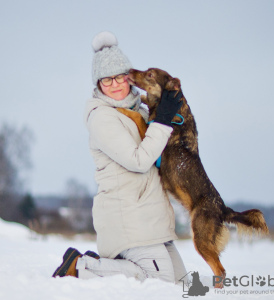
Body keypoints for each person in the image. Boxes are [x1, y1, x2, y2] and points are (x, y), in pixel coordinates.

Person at [52, 31, 187, 285]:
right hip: (128, 219)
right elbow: (138, 161)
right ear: (98, 84)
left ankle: (109, 267)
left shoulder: (137, 111)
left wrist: (167, 111)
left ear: (129, 77)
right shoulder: (102, 117)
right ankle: (83, 266)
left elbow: (159, 150)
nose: (114, 84)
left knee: (182, 284)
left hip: (150, 219)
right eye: (106, 80)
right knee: (158, 282)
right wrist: (162, 121)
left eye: (119, 77)